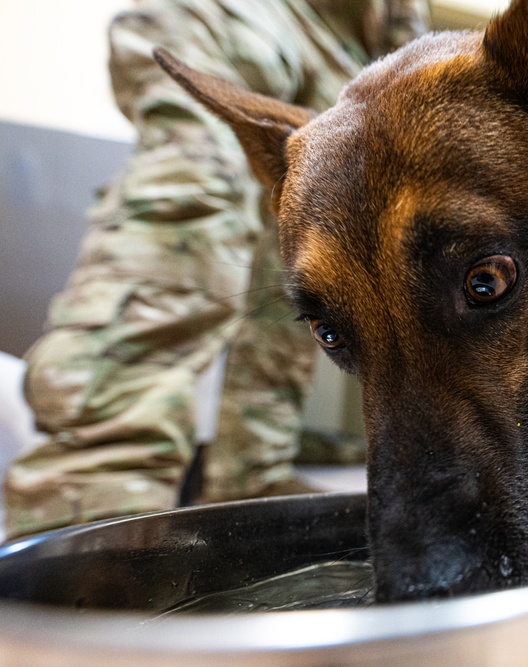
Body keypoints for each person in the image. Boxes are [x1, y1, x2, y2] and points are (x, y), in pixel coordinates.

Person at [3, 0, 429, 540]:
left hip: (352, 42)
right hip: (242, 9)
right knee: (195, 191)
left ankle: (252, 472)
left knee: (316, 246)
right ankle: (93, 491)